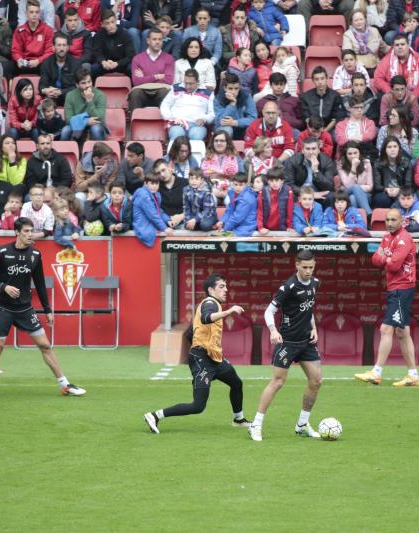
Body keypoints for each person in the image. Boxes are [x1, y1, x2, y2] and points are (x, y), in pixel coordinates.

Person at [0, 217, 85, 400]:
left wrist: (47, 309)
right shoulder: (2, 251)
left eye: (32, 231)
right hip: (4, 308)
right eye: (26, 231)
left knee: (45, 345)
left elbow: (40, 284)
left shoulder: (35, 254)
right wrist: (4, 287)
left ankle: (65, 385)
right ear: (17, 232)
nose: (30, 235)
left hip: (25, 309)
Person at [144, 275, 250, 434]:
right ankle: (154, 416)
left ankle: (239, 419)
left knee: (236, 383)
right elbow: (206, 318)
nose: (226, 290)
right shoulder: (210, 303)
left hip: (215, 358)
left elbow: (190, 333)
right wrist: (229, 311)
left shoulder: (212, 305)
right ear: (211, 290)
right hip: (202, 360)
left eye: (226, 286)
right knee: (198, 406)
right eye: (221, 286)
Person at [248, 250, 323, 442]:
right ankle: (256, 424)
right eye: (304, 267)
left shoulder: (315, 283)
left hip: (306, 342)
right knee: (278, 382)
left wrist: (313, 327)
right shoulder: (288, 287)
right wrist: (274, 331)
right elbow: (268, 312)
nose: (308, 271)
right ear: (297, 265)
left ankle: (302, 425)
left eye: (311, 267)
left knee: (316, 381)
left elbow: (309, 308)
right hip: (288, 342)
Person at [355, 208, 419, 387]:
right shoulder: (386, 237)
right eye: (387, 220)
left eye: (393, 220)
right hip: (395, 288)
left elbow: (394, 265)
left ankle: (376, 372)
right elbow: (374, 259)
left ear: (401, 221)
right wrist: (386, 258)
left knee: (386, 329)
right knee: (402, 332)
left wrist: (385, 257)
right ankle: (413, 375)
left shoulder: (404, 239)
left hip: (402, 288)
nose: (390, 223)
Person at [128, 28, 176, 109]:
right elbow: (136, 82)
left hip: (161, 90)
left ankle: (165, 117)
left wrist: (144, 78)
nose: (157, 42)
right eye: (154, 39)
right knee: (135, 93)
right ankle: (136, 117)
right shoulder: (137, 59)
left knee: (165, 92)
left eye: (160, 39)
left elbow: (168, 80)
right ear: (148, 41)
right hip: (142, 91)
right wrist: (156, 77)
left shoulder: (169, 58)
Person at [373, 34, 419, 100]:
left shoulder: (418, 59)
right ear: (393, 47)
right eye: (397, 45)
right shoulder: (387, 60)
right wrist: (390, 91)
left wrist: (415, 94)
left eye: (402, 44)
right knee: (379, 97)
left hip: (413, 93)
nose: (400, 47)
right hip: (392, 94)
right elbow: (378, 78)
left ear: (408, 45)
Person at [282, 136, 336, 205]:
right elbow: (288, 184)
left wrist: (316, 172)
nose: (311, 152)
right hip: (300, 194)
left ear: (318, 150)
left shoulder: (327, 161)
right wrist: (310, 194)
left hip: (319, 193)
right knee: (289, 195)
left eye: (314, 149)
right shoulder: (292, 161)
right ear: (302, 150)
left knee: (331, 196)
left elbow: (330, 186)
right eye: (307, 149)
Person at [132, 171, 175, 247]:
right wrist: (165, 228)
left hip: (150, 226)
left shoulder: (155, 194)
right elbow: (152, 214)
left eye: (157, 183)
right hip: (144, 228)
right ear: (146, 183)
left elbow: (158, 210)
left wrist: (167, 220)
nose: (155, 186)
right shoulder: (143, 195)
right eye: (152, 183)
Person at [11, 0, 55, 74]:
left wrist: (38, 61)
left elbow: (50, 51)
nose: (34, 15)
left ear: (39, 13)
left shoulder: (48, 30)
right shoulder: (19, 30)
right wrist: (19, 59)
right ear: (26, 13)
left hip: (41, 63)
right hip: (24, 62)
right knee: (9, 66)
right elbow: (15, 50)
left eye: (37, 12)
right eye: (31, 12)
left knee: (48, 66)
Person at [38, 33, 81, 106]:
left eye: (64, 45)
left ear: (68, 47)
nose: (62, 48)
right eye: (59, 45)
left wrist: (61, 92)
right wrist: (45, 90)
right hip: (51, 97)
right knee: (44, 103)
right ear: (53, 47)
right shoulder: (46, 63)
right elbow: (42, 84)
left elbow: (78, 87)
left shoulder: (75, 64)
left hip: (69, 97)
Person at [89, 10, 135, 77]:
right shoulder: (98, 35)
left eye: (113, 22)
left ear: (116, 21)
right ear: (102, 24)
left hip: (120, 64)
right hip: (105, 65)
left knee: (131, 68)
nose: (111, 25)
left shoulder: (124, 34)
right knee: (93, 69)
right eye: (107, 23)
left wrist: (117, 63)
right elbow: (97, 52)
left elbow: (130, 55)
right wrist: (103, 61)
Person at [373, 136, 413, 208]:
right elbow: (377, 186)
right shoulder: (378, 163)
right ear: (385, 150)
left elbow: (408, 184)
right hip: (384, 192)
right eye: (389, 147)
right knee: (382, 200)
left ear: (399, 148)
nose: (392, 149)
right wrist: (386, 189)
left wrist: (399, 189)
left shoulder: (406, 162)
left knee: (402, 199)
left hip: (401, 191)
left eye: (395, 146)